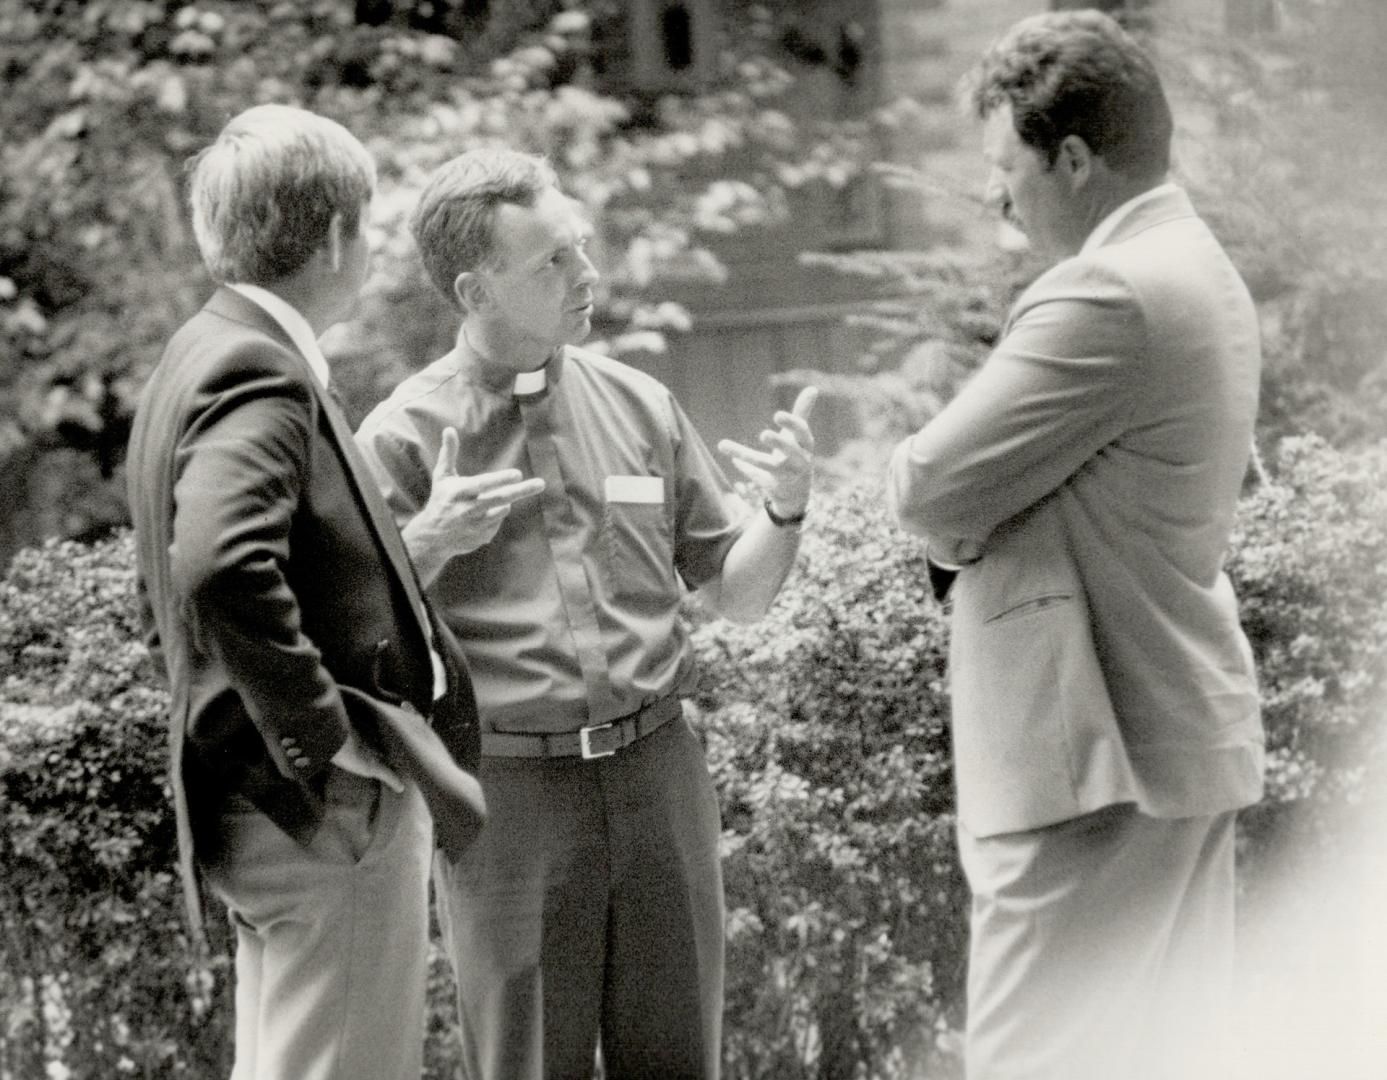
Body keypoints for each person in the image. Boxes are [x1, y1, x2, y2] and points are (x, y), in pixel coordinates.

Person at [355, 147, 816, 1080]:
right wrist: (427, 541)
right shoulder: (399, 439)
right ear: (475, 290)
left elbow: (739, 594)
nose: (586, 275)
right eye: (552, 262)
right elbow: (352, 639)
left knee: (680, 1060)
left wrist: (786, 510)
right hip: (510, 804)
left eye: (579, 249)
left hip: (660, 778)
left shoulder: (640, 404)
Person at [885, 11, 1264, 1079]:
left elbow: (924, 485)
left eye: (1006, 167)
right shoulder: (1196, 267)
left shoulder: (1106, 289)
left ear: (1073, 158)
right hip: (1165, 735)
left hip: (1091, 761)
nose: (998, 198)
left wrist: (961, 521)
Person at [126, 104, 486, 1080]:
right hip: (315, 815)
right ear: (335, 237)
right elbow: (217, 561)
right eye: (366, 227)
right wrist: (325, 745)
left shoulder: (199, 350)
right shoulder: (262, 371)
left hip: (256, 802)